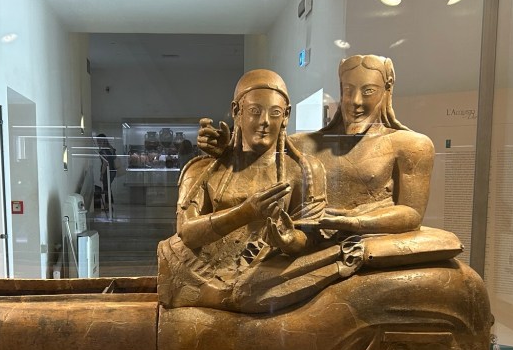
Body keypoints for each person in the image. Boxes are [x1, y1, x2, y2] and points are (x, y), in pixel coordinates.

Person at [198, 54, 459, 263]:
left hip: (368, 239)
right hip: (307, 241)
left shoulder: (412, 145)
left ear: (387, 89)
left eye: (368, 91)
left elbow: (411, 213)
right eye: (348, 90)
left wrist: (350, 222)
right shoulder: (305, 144)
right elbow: (256, 157)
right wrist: (226, 150)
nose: (356, 101)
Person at [158, 69, 366, 313]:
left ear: (286, 116)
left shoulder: (304, 170)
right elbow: (187, 233)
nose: (265, 121)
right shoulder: (203, 169)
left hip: (266, 270)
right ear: (237, 111)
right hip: (200, 269)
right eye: (255, 111)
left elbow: (310, 236)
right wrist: (246, 212)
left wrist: (290, 240)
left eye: (275, 112)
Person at [95, 133, 116, 210]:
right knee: (108, 188)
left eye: (99, 141)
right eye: (98, 141)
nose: (98, 142)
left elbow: (105, 163)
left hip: (107, 171)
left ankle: (108, 206)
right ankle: (110, 205)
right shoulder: (111, 149)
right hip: (113, 170)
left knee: (106, 188)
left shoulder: (103, 151)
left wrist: (101, 174)